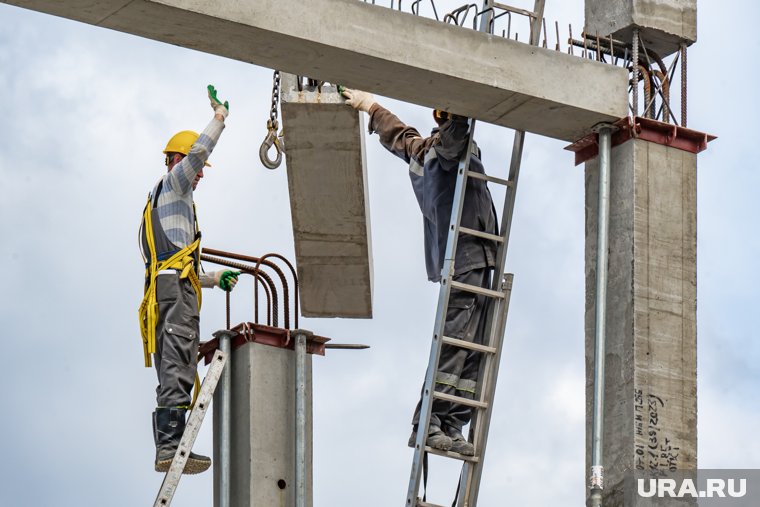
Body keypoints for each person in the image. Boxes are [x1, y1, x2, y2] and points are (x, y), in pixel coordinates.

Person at [343, 88, 498, 456]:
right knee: (457, 343)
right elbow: (454, 134)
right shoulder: (447, 151)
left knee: (472, 349)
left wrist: (372, 107)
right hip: (467, 256)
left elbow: (399, 134)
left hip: (474, 259)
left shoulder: (424, 151)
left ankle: (450, 423)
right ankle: (428, 423)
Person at [138, 85, 240, 474]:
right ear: (178, 161)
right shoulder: (174, 184)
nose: (200, 176)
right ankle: (170, 445)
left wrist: (213, 278)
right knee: (179, 357)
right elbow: (200, 150)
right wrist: (219, 118)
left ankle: (170, 443)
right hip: (174, 291)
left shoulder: (167, 203)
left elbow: (179, 262)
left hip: (172, 286)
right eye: (196, 170)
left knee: (175, 358)